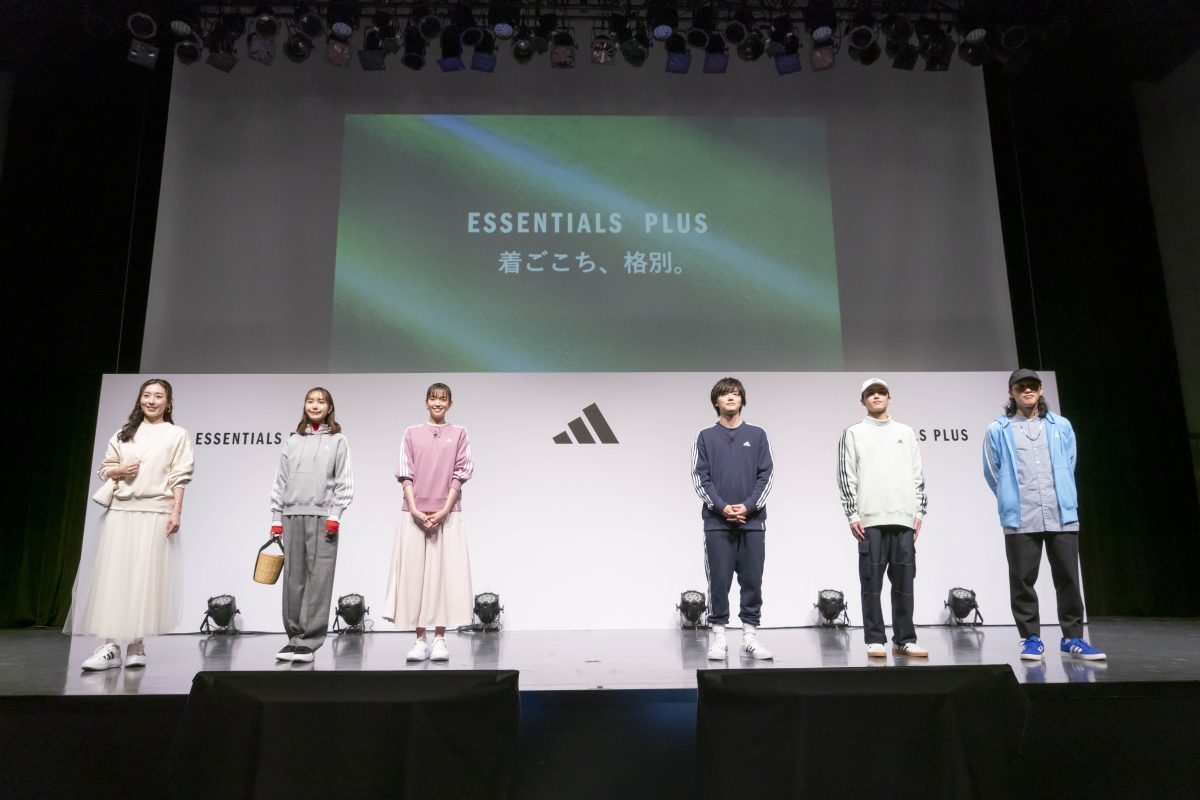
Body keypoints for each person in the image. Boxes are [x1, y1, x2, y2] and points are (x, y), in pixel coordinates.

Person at [65, 378, 195, 671]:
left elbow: (180, 474)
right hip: (121, 511)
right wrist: (119, 470)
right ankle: (110, 646)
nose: (151, 400)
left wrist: (176, 510)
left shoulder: (176, 435)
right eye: (146, 395)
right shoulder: (124, 433)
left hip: (155, 512)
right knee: (115, 577)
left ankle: (137, 645)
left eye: (158, 396)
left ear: (168, 402)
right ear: (139, 399)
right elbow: (104, 469)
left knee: (144, 580)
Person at [983, 368, 1106, 661]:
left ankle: (1073, 638)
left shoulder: (1061, 426)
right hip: (1020, 516)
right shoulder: (997, 429)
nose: (1027, 390)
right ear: (1011, 393)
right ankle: (1031, 638)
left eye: (1032, 386)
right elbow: (992, 471)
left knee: (1068, 578)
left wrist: (1061, 493)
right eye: (1020, 386)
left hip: (1059, 512)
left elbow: (1069, 461)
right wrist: (1010, 498)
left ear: (1040, 390)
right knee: (1022, 579)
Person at [837, 378, 929, 659]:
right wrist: (852, 513)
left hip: (903, 518)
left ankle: (905, 639)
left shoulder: (906, 432)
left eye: (881, 392)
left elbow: (917, 474)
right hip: (870, 519)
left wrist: (919, 511)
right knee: (871, 584)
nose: (876, 396)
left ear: (889, 397)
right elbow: (846, 476)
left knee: (905, 584)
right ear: (862, 400)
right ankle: (875, 639)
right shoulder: (853, 433)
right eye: (870, 393)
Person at [383, 383, 475, 662]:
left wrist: (445, 509)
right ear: (426, 402)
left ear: (450, 403)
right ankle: (420, 639)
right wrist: (414, 508)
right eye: (433, 398)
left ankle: (440, 639)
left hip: (448, 513)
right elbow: (405, 473)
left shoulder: (459, 433)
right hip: (413, 514)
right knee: (415, 576)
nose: (438, 403)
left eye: (443, 399)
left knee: (442, 577)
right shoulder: (411, 433)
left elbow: (462, 471)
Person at [691, 377, 775, 661]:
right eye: (725, 394)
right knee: (719, 581)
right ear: (716, 401)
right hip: (717, 523)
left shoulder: (758, 434)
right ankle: (719, 638)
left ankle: (749, 637)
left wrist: (748, 507)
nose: (731, 398)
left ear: (742, 400)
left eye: (736, 394)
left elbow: (767, 475)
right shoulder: (705, 436)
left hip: (753, 523)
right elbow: (700, 478)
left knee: (752, 581)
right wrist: (722, 507)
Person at [269, 387, 354, 664]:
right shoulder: (293, 441)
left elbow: (343, 480)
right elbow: (280, 481)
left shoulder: (338, 440)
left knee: (319, 579)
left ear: (329, 408)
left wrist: (335, 515)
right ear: (304, 406)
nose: (315, 405)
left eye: (321, 401)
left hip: (323, 517)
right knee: (293, 579)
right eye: (310, 401)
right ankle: (294, 638)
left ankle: (310, 641)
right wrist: (276, 519)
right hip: (292, 515)